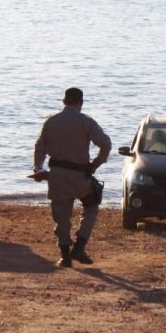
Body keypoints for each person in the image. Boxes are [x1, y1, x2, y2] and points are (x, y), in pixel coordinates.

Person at [34, 87, 112, 267]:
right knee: (91, 207)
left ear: (64, 101)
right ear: (81, 103)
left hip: (57, 175)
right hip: (80, 175)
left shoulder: (51, 121)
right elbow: (106, 143)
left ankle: (65, 257)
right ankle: (80, 246)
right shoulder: (86, 121)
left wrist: (38, 168)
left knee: (62, 217)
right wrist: (96, 163)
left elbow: (40, 147)